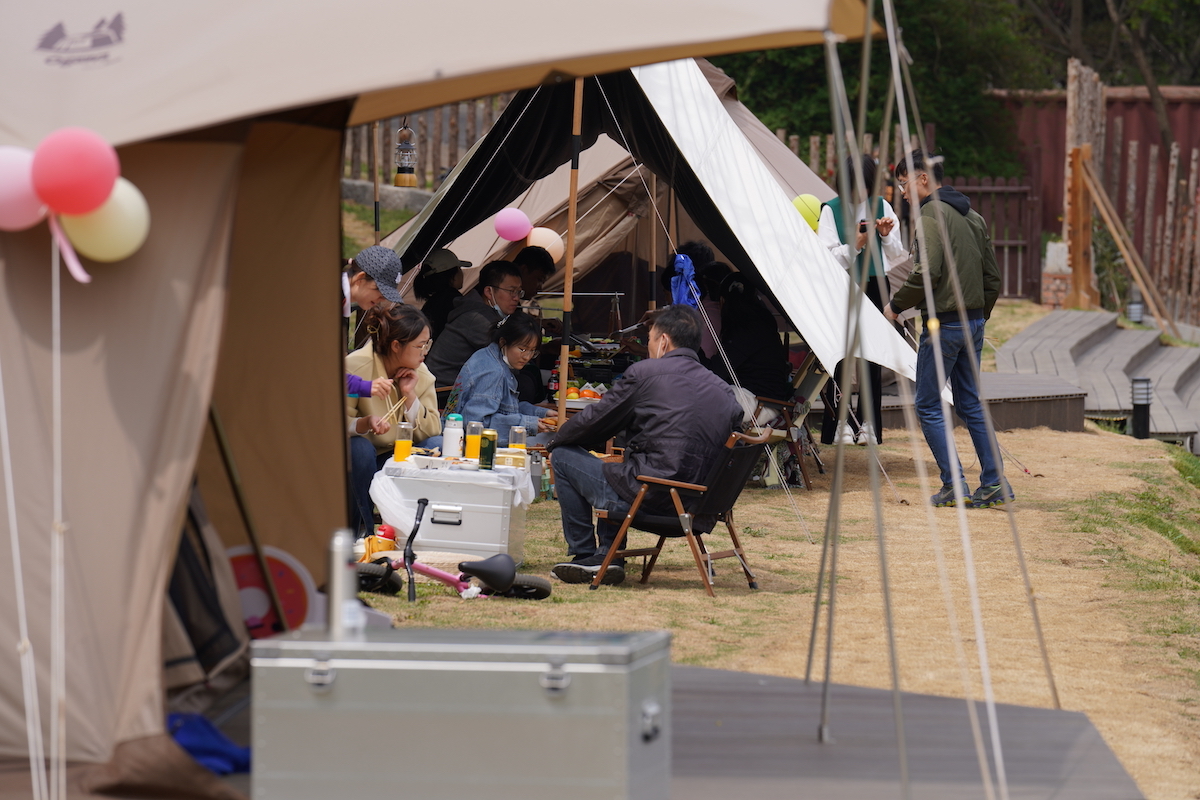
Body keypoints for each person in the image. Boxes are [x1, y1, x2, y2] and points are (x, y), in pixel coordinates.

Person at [546, 304, 743, 585]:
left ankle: (586, 554)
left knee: (564, 456)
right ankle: (609, 554)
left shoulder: (645, 373)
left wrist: (557, 440)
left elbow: (597, 419)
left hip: (649, 498)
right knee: (619, 467)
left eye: (649, 339)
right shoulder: (724, 391)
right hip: (698, 508)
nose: (648, 347)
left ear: (663, 341)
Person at [883, 150, 1007, 509]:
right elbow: (992, 278)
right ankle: (994, 483)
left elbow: (926, 273)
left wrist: (894, 306)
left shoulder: (929, 216)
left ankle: (954, 484)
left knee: (927, 404)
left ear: (923, 179)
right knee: (970, 403)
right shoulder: (974, 216)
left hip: (945, 325)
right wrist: (979, 318)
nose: (903, 192)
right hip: (974, 323)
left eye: (904, 183)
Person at [818, 155, 908, 447]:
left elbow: (896, 253)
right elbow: (826, 259)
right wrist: (854, 247)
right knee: (842, 355)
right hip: (842, 287)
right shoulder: (830, 210)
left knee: (872, 355)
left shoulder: (882, 206)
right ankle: (839, 423)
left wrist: (885, 236)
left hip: (875, 285)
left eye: (864, 186)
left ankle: (868, 423)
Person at [345, 305, 440, 535]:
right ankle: (362, 531)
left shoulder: (421, 373)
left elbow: (433, 429)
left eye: (427, 344)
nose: (425, 352)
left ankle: (420, 529)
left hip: (398, 454)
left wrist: (410, 395)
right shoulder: (356, 366)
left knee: (437, 444)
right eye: (420, 345)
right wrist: (364, 423)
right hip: (363, 456)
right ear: (396, 345)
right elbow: (335, 421)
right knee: (359, 449)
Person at [442, 312, 557, 447]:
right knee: (554, 440)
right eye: (522, 349)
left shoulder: (488, 356)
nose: (527, 357)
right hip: (466, 445)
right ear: (503, 342)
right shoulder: (493, 372)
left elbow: (507, 408)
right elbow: (477, 423)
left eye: (532, 351)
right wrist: (528, 424)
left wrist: (543, 414)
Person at [425, 260, 524, 392]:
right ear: (489, 292)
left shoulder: (480, 312)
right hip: (445, 392)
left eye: (519, 292)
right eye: (511, 291)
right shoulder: (478, 319)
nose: (516, 298)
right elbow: (508, 361)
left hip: (456, 387)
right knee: (523, 384)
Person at [705, 271, 792, 403]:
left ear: (722, 301)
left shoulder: (745, 330)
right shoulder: (760, 324)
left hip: (758, 402)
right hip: (766, 399)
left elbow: (715, 372)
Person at [413, 248, 471, 339]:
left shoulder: (432, 302)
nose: (461, 273)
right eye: (459, 268)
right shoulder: (454, 300)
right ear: (452, 275)